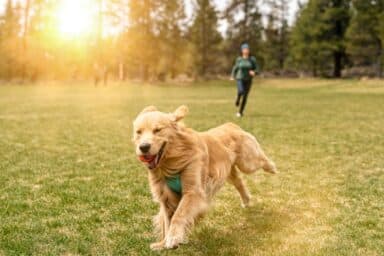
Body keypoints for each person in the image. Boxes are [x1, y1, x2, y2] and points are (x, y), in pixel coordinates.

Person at [231, 43, 259, 117]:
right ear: (242, 50)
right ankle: (237, 99)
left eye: (247, 49)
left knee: (245, 96)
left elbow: (257, 69)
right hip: (240, 78)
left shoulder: (252, 59)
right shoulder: (239, 59)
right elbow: (235, 68)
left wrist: (254, 72)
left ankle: (240, 112)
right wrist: (232, 76)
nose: (246, 51)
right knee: (241, 91)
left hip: (248, 80)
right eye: (244, 49)